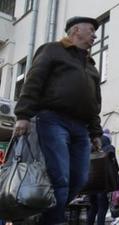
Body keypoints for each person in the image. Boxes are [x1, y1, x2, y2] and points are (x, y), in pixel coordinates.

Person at [13, 16, 102, 225]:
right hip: (53, 120)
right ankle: (54, 221)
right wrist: (23, 115)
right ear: (75, 30)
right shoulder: (52, 49)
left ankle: (45, 217)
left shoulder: (91, 66)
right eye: (91, 30)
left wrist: (96, 132)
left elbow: (94, 102)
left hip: (81, 127)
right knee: (59, 177)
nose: (95, 35)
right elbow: (34, 80)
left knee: (79, 179)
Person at [87, 129, 119, 225]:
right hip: (102, 183)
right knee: (102, 207)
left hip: (90, 184)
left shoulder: (90, 148)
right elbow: (114, 167)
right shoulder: (109, 148)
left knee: (93, 207)